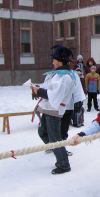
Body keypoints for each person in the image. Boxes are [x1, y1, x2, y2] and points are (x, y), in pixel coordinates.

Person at [30, 46, 76, 174]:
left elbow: (56, 95)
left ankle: (63, 164)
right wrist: (38, 90)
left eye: (54, 60)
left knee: (55, 138)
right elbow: (48, 89)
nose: (52, 62)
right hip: (47, 108)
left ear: (60, 61)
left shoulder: (66, 77)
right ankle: (57, 151)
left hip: (54, 110)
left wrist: (40, 91)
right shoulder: (56, 74)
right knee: (43, 132)